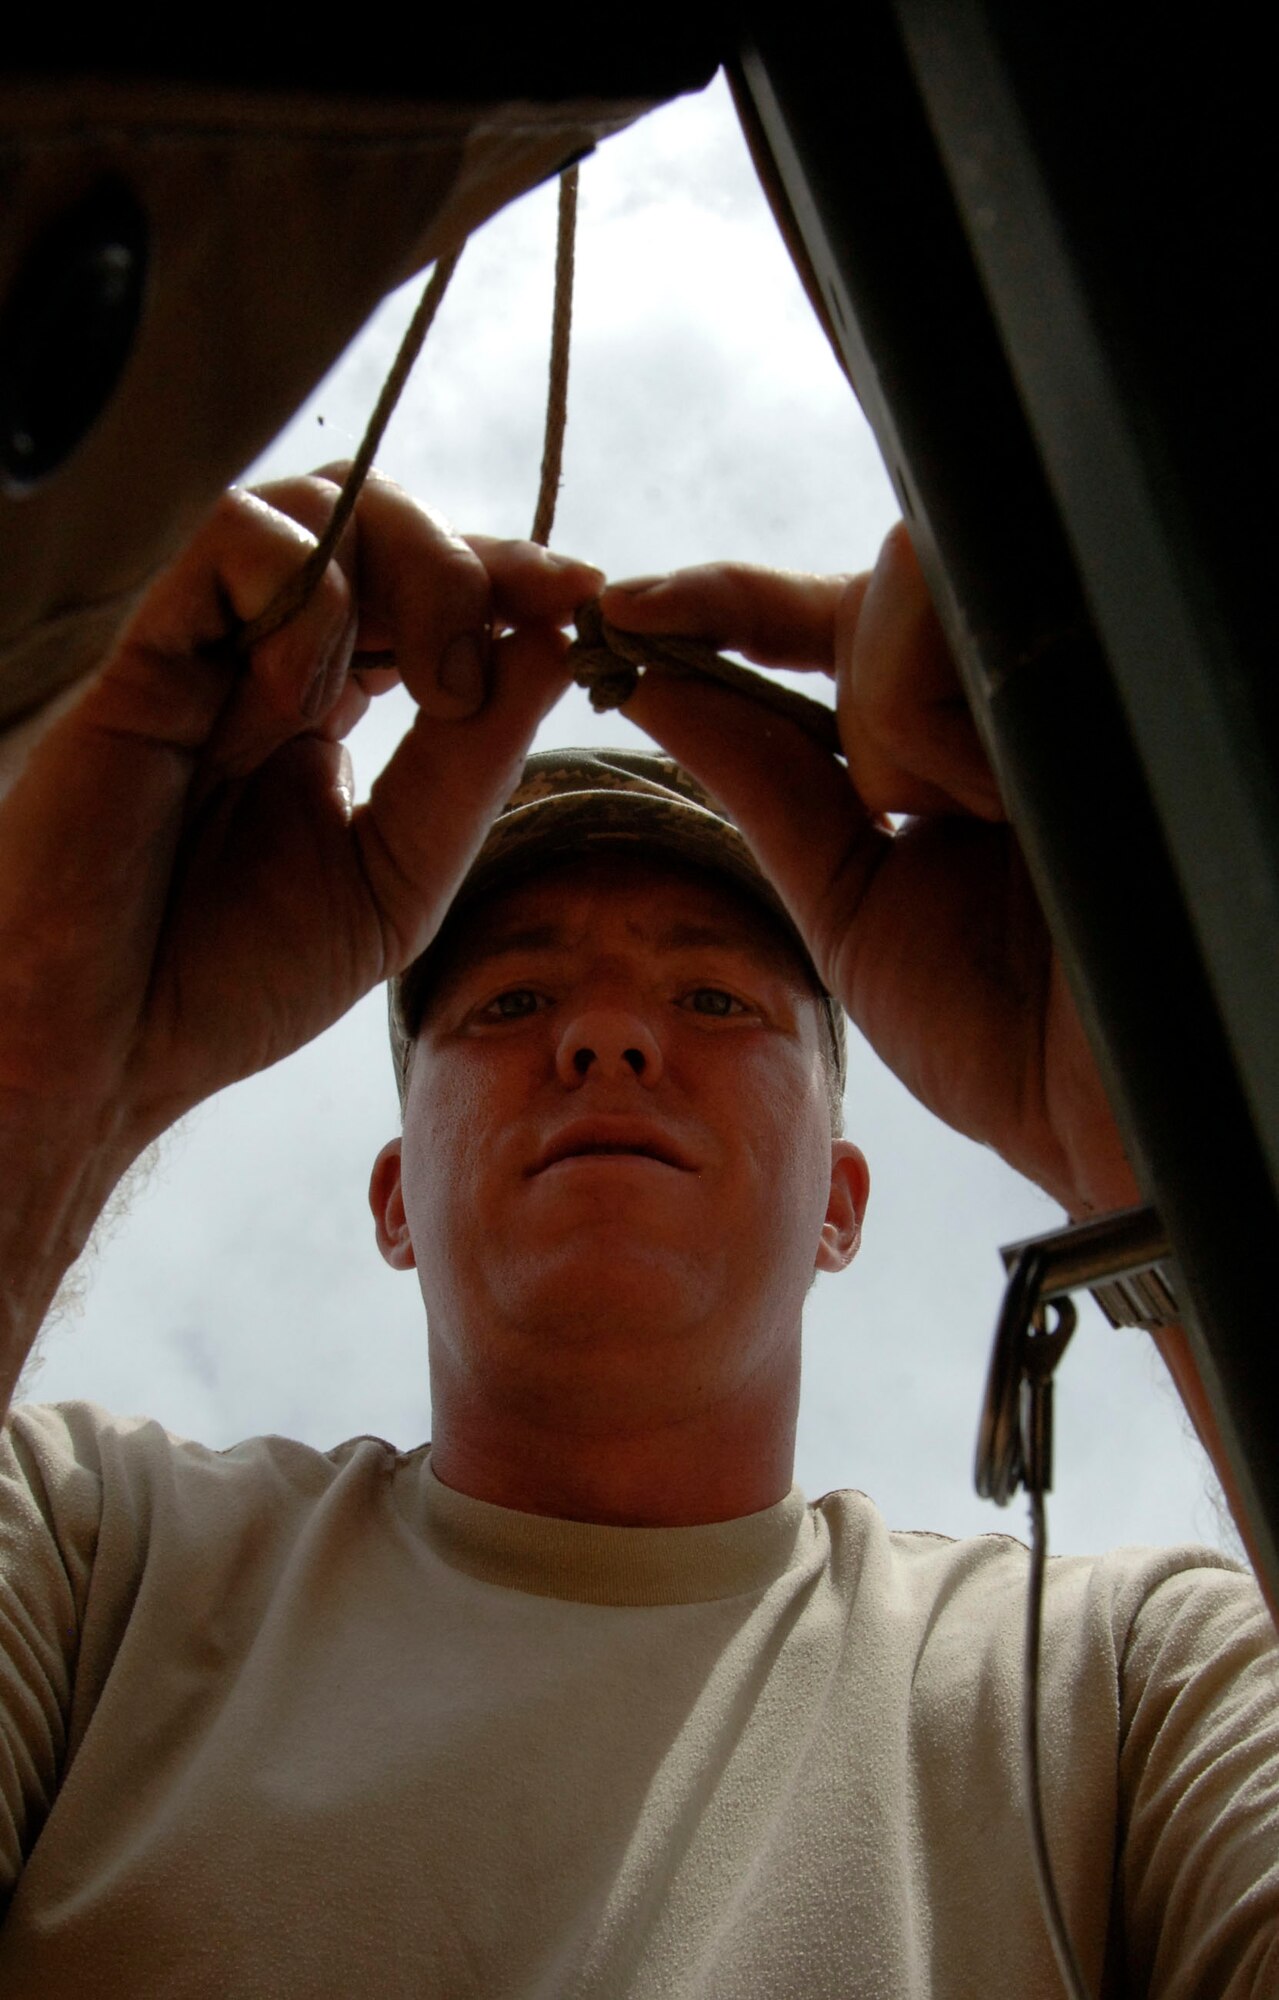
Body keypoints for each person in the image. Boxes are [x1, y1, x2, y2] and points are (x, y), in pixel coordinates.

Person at [0, 470, 1275, 1995]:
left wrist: (1184, 1135)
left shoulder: (1119, 1692)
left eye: (718, 1000)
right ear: (397, 1198)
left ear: (841, 1208)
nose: (605, 1034)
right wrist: (44, 1068)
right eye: (512, 1000)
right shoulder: (93, 1562)